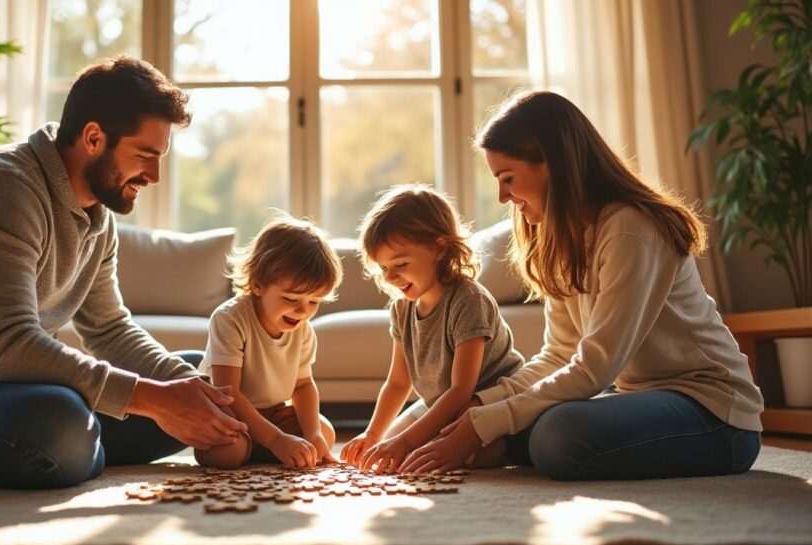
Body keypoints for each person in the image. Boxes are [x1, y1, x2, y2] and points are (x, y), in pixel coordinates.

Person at [0, 54, 247, 489]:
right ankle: (73, 445)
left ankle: (81, 445)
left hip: (9, 391)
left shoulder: (99, 215)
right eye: (144, 155)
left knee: (200, 376)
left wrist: (197, 395)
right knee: (60, 424)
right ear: (94, 138)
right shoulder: (3, 187)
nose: (154, 175)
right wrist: (153, 400)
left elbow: (110, 329)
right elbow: (8, 345)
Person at [402, 90, 764, 480]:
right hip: (633, 397)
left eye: (508, 179)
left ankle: (513, 444)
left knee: (561, 433)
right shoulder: (561, 239)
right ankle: (510, 442)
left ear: (553, 165)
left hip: (714, 413)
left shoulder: (631, 227)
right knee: (524, 417)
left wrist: (485, 424)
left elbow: (595, 366)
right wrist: (478, 405)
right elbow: (559, 355)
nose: (504, 197)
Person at [340, 185, 525, 474]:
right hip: (442, 402)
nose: (390, 277)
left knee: (429, 451)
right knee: (389, 447)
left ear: (439, 248)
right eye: (383, 267)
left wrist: (409, 440)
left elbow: (462, 390)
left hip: (488, 399)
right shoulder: (401, 309)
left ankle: (505, 446)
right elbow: (398, 384)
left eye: (400, 263)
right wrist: (372, 434)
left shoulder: (468, 300)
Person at [195, 214, 342, 469]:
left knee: (324, 432)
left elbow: (304, 386)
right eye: (291, 299)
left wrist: (312, 435)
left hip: (275, 413)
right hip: (229, 412)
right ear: (258, 284)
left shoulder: (303, 330)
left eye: (314, 302)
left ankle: (263, 448)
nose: (303, 311)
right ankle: (260, 447)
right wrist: (276, 440)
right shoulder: (230, 319)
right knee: (229, 453)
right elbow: (229, 394)